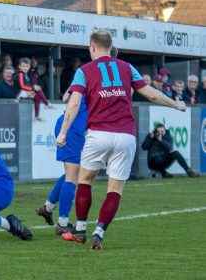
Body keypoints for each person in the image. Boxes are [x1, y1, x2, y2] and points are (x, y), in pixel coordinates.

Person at [56, 30, 186, 250]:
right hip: (125, 135)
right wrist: (176, 104)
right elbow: (152, 94)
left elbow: (74, 103)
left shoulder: (84, 70)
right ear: (111, 46)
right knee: (114, 189)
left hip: (98, 134)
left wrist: (63, 132)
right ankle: (99, 232)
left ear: (92, 47)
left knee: (85, 181)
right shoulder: (127, 67)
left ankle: (80, 229)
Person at [35, 90, 87, 236]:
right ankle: (63, 223)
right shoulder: (96, 82)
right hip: (74, 128)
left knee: (72, 174)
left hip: (69, 124)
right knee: (72, 176)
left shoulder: (83, 77)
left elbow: (65, 98)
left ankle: (48, 208)